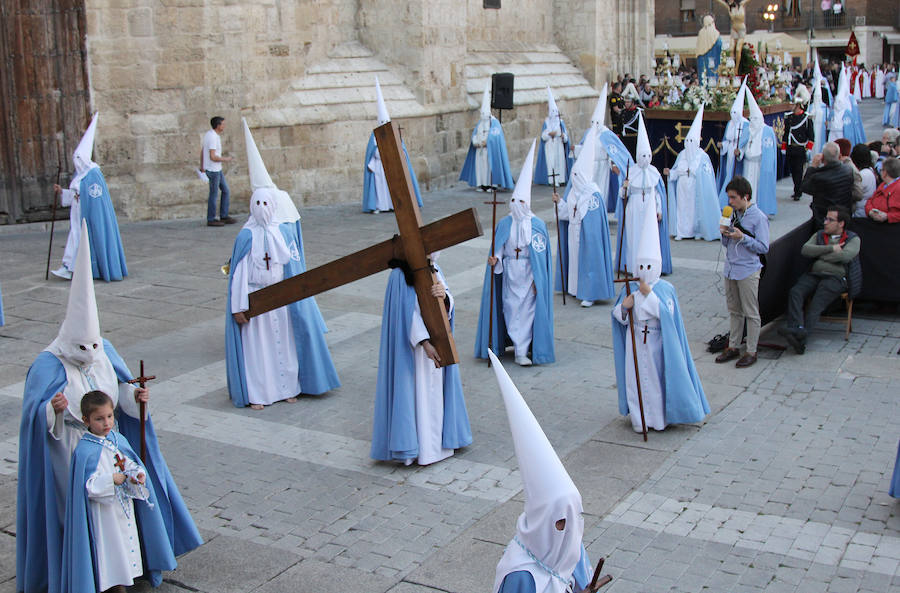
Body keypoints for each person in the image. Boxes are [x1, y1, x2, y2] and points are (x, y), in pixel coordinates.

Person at [17, 223, 201, 593]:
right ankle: (85, 576)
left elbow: (122, 388)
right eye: (81, 349)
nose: (88, 356)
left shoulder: (104, 351)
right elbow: (32, 422)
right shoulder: (47, 365)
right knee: (79, 516)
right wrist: (52, 411)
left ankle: (125, 567)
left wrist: (136, 399)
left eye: (93, 348)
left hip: (111, 447)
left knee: (119, 511)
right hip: (68, 454)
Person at [226, 121, 340, 409]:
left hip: (279, 297)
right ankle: (259, 394)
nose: (264, 209)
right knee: (259, 351)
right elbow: (239, 274)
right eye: (259, 204)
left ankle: (289, 387)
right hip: (256, 299)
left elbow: (288, 261)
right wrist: (239, 306)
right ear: (252, 206)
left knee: (285, 346)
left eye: (268, 204)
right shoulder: (245, 236)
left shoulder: (281, 231)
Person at [487, 350, 593, 593]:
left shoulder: (571, 547)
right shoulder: (521, 576)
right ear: (542, 521)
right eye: (561, 522)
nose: (570, 530)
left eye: (576, 516)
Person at [62, 390, 177, 592]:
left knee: (126, 544)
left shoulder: (117, 440)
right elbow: (88, 486)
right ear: (86, 420)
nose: (106, 423)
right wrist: (110, 480)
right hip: (104, 515)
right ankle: (115, 586)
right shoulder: (85, 451)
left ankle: (128, 579)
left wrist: (137, 474)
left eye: (109, 416)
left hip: (123, 507)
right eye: (99, 419)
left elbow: (129, 463)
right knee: (111, 549)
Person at [611, 205, 709, 432]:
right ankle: (639, 419)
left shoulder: (665, 289)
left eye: (648, 266)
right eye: (641, 266)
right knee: (634, 380)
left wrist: (649, 295)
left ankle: (657, 418)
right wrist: (624, 309)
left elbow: (668, 315)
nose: (644, 271)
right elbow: (618, 316)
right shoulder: (630, 288)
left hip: (656, 342)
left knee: (655, 381)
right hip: (634, 340)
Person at [370, 256, 472, 466]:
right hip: (414, 351)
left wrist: (444, 296)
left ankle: (439, 446)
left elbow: (448, 301)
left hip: (438, 341)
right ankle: (419, 449)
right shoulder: (399, 275)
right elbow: (406, 314)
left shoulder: (435, 268)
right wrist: (424, 343)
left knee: (436, 394)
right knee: (417, 395)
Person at [475, 141, 554, 367]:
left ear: (527, 203)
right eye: (513, 201)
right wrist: (495, 259)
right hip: (510, 273)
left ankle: (522, 350)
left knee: (528, 310)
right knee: (510, 308)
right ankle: (513, 344)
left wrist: (540, 279)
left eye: (520, 202)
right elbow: (498, 248)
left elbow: (541, 257)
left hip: (529, 273)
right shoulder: (504, 223)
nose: (516, 205)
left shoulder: (537, 226)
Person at [51, 113, 128, 281]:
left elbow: (95, 197)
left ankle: (78, 268)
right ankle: (69, 268)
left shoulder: (93, 174)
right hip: (78, 214)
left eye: (79, 158)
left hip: (89, 216)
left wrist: (80, 196)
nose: (77, 162)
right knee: (75, 239)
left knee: (81, 239)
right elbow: (76, 193)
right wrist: (62, 192)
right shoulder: (81, 175)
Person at [778, 205, 860, 354]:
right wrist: (830, 249)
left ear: (841, 223)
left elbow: (845, 256)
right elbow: (806, 249)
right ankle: (797, 329)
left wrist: (820, 255)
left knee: (817, 302)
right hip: (815, 274)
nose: (825, 222)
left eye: (830, 219)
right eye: (825, 218)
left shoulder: (853, 238)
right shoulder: (820, 235)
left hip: (836, 277)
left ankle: (801, 338)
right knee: (796, 292)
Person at [553, 129, 615, 307]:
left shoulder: (593, 195)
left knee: (588, 261)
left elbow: (593, 224)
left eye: (576, 177)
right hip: (574, 231)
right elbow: (566, 213)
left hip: (587, 236)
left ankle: (590, 293)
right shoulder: (573, 192)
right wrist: (559, 203)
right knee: (574, 261)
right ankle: (575, 289)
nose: (574, 180)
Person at [716, 176, 769, 368]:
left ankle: (751, 350)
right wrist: (724, 233)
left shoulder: (759, 217)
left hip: (748, 269)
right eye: (728, 198)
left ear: (745, 196)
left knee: (750, 312)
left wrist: (743, 237)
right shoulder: (731, 214)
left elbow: (763, 247)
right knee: (734, 310)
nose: (729, 202)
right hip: (730, 268)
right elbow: (726, 243)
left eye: (733, 198)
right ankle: (733, 346)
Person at [615, 112, 672, 276]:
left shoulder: (654, 172)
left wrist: (659, 209)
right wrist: (624, 187)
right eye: (643, 156)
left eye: (648, 155)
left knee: (649, 236)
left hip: (649, 206)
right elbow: (622, 194)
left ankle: (651, 266)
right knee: (634, 236)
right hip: (633, 206)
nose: (645, 159)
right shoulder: (631, 172)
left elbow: (658, 194)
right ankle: (633, 265)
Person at [363, 76, 423, 213]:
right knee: (380, 186)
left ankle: (393, 205)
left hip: (393, 165)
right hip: (379, 166)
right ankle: (378, 205)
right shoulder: (374, 136)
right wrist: (379, 155)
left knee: (394, 186)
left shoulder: (394, 132)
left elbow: (401, 150)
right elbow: (372, 152)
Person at [665, 105, 721, 241]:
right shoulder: (682, 154)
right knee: (682, 209)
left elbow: (707, 177)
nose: (689, 144)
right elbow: (676, 171)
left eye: (692, 141)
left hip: (695, 187)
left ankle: (697, 231)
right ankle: (682, 231)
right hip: (682, 187)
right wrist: (670, 173)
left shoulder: (703, 157)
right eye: (687, 141)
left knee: (695, 210)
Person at [578, 84, 632, 213]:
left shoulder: (606, 135)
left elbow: (611, 151)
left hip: (602, 166)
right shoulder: (588, 134)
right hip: (590, 166)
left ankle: (601, 211)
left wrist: (612, 164)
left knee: (601, 190)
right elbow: (584, 150)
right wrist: (576, 149)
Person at [459, 80, 515, 190]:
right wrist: (477, 142)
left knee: (489, 168)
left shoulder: (494, 123)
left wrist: (488, 142)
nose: (483, 116)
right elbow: (475, 135)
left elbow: (496, 136)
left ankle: (492, 185)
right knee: (481, 169)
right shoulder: (480, 123)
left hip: (490, 151)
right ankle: (482, 185)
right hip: (480, 150)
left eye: (485, 114)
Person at [799, 142, 855, 227]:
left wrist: (812, 167)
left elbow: (804, 187)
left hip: (824, 218)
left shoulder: (819, 177)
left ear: (823, 158)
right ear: (839, 156)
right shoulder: (848, 170)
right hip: (844, 214)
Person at [742, 90, 778, 216]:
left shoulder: (767, 131)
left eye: (755, 118)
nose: (753, 121)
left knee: (758, 186)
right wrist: (740, 152)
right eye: (751, 119)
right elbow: (742, 144)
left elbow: (769, 151)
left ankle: (759, 208)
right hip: (747, 163)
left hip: (759, 163)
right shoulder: (748, 130)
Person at [717, 80, 749, 207]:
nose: (733, 115)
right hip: (729, 149)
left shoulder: (745, 124)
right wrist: (723, 145)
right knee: (727, 171)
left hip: (736, 151)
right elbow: (727, 139)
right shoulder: (730, 124)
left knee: (735, 173)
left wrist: (740, 151)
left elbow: (745, 141)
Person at [201, 115, 236, 227]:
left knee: (225, 190)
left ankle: (224, 215)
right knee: (214, 194)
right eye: (223, 124)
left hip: (216, 169)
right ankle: (211, 218)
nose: (224, 126)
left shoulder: (209, 135)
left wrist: (202, 165)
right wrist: (227, 159)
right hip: (213, 170)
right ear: (218, 125)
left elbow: (203, 151)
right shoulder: (212, 137)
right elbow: (213, 156)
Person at [534, 87, 572, 186]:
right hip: (549, 146)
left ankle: (561, 180)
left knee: (560, 163)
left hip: (559, 145)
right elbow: (543, 136)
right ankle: (552, 181)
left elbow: (566, 137)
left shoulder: (561, 123)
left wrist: (563, 136)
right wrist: (549, 134)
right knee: (551, 163)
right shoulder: (546, 123)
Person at [782, 96, 815, 200]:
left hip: (800, 148)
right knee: (792, 170)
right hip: (791, 148)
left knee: (799, 171)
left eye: (794, 105)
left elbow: (811, 135)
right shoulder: (789, 117)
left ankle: (798, 191)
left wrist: (809, 148)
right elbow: (786, 133)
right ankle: (797, 189)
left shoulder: (806, 118)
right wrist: (784, 146)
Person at [866, 157, 900, 223]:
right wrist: (870, 211)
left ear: (885, 173)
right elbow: (870, 200)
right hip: (876, 223)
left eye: (881, 170)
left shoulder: (897, 188)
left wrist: (887, 216)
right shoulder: (883, 185)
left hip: (891, 227)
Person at [850, 143, 878, 217]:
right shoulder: (870, 171)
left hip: (860, 213)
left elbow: (855, 192)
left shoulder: (863, 175)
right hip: (865, 210)